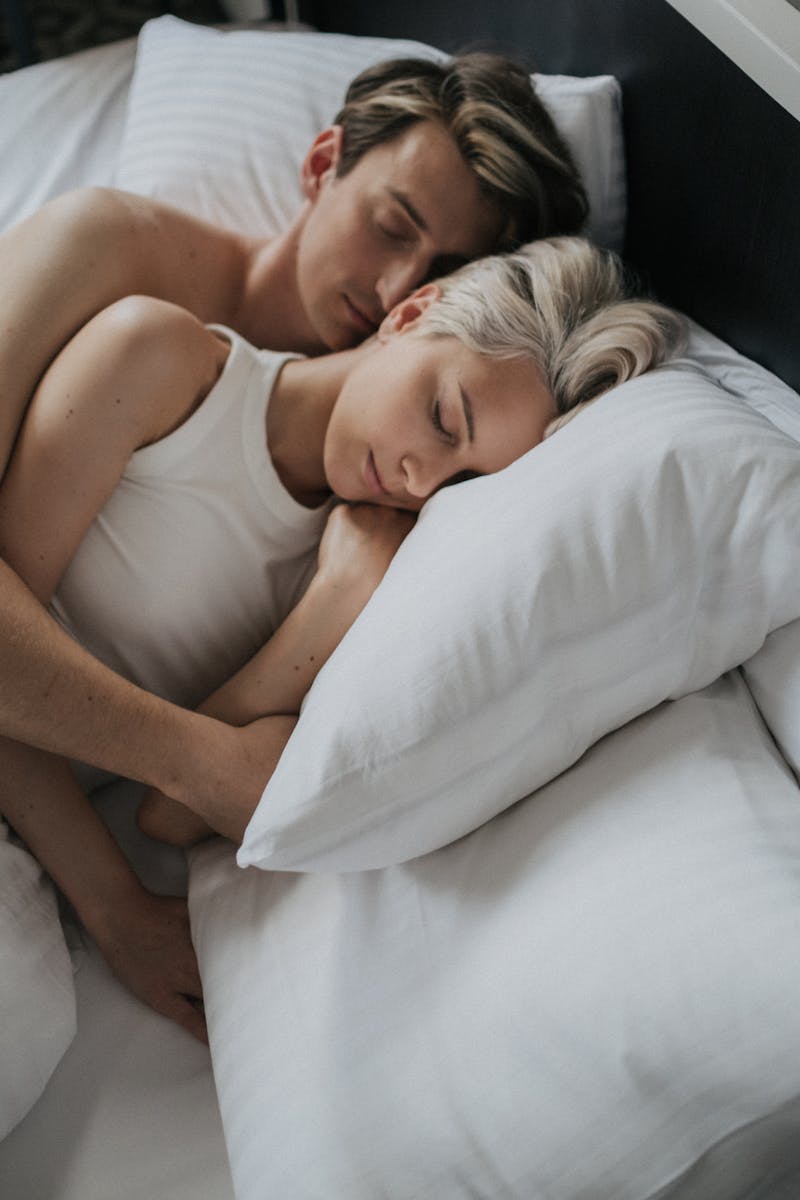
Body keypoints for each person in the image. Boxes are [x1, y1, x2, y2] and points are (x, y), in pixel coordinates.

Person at [0, 237, 685, 1040]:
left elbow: (172, 816)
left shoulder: (371, 568)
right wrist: (117, 908)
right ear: (410, 314)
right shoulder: (160, 361)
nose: (419, 479)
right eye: (442, 419)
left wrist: (328, 607)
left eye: (463, 479)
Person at [0, 52, 589, 480]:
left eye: (443, 271)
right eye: (390, 228)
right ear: (322, 163)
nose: (395, 290)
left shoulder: (383, 459)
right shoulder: (101, 243)